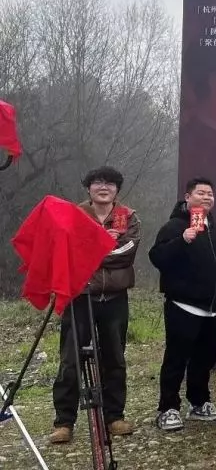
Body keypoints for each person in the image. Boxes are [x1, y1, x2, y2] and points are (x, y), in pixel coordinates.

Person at [50, 167, 140, 444]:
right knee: (70, 359)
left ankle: (114, 416)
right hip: (79, 296)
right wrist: (102, 245)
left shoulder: (128, 216)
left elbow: (127, 252)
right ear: (88, 188)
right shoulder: (75, 215)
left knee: (115, 358)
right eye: (98, 183)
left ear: (117, 189)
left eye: (110, 183)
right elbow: (67, 252)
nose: (104, 187)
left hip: (114, 298)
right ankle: (64, 421)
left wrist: (91, 250)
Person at [149, 177, 216, 432]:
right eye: (201, 193)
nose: (206, 197)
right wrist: (182, 240)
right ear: (188, 197)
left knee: (205, 358)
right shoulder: (174, 227)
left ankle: (199, 402)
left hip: (211, 309)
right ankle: (168, 408)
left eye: (210, 194)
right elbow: (157, 257)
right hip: (182, 305)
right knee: (176, 358)